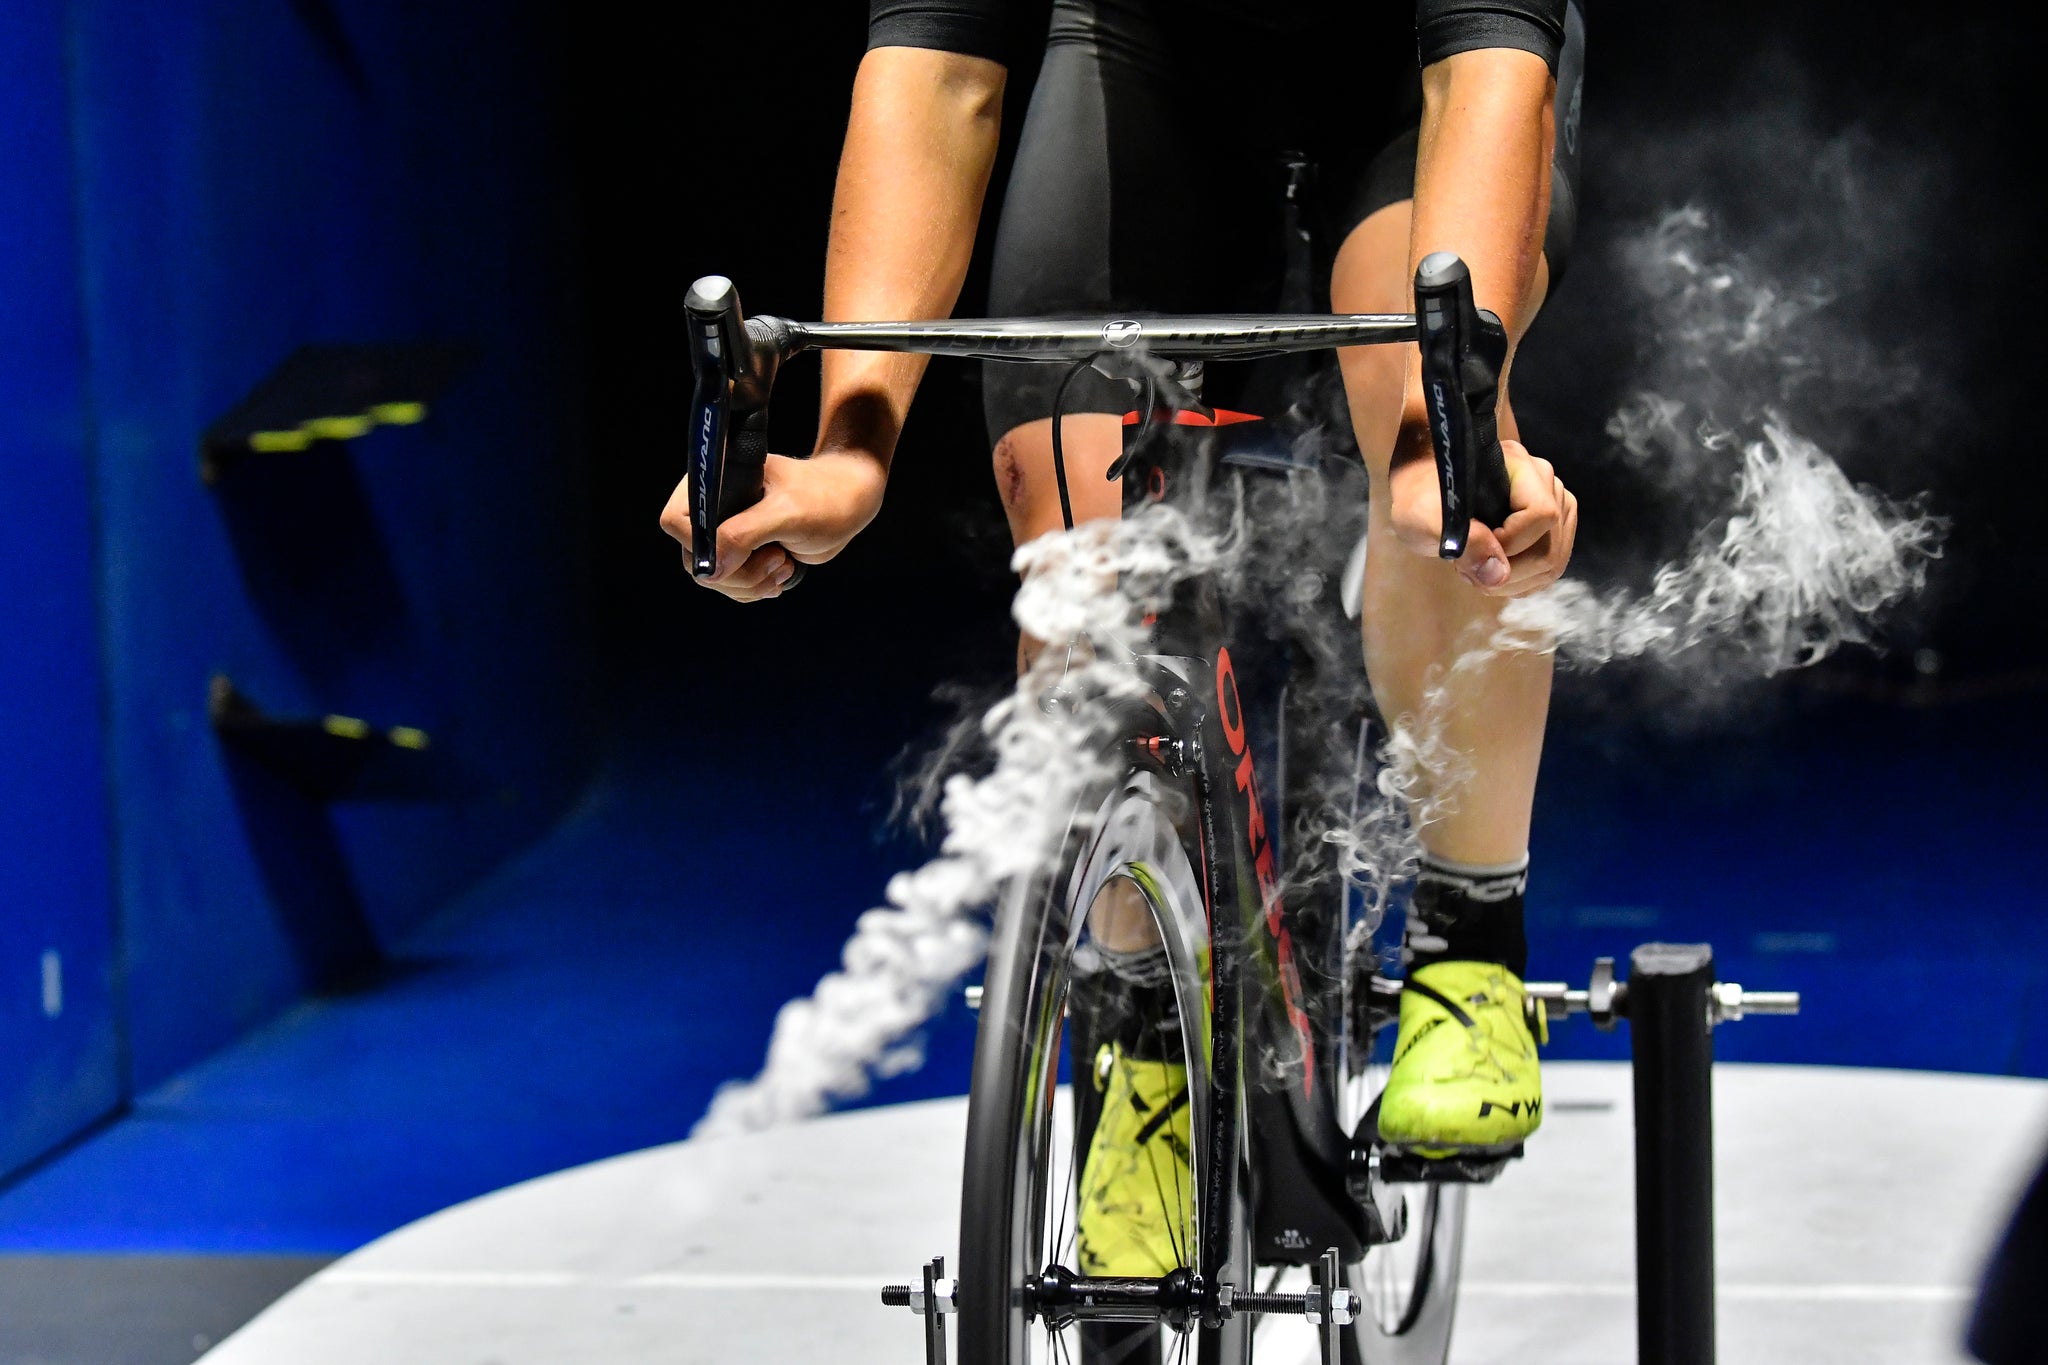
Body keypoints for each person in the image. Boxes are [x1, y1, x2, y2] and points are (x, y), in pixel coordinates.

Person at [663, 0, 1585, 1278]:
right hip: (1145, 61)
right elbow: (935, 74)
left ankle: (1467, 938)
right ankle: (1140, 1036)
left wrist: (1459, 433)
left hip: (1414, 91)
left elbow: (1487, 72)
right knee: (1070, 496)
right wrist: (845, 451)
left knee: (1431, 457)